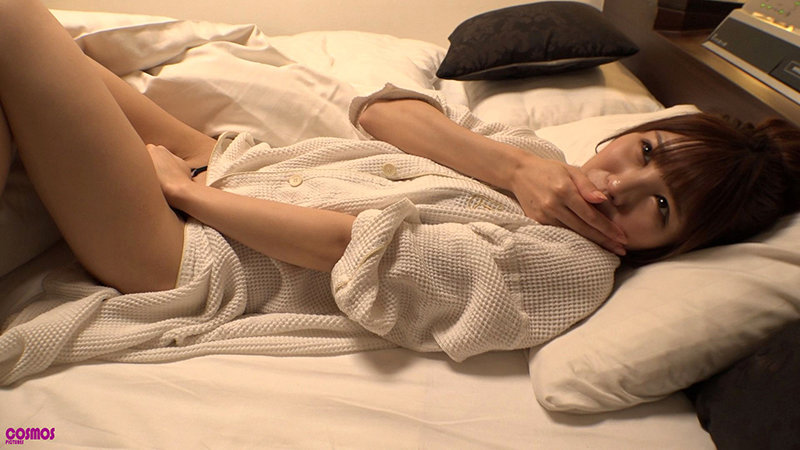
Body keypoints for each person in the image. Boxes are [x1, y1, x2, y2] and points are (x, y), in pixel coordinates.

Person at [0, 0, 798, 382]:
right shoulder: (539, 161)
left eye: (660, 205)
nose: (620, 183)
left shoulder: (570, 269)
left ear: (678, 245)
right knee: (50, 62)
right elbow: (382, 111)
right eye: (645, 151)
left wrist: (189, 195)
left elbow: (351, 246)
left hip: (188, 253)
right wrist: (512, 167)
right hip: (231, 162)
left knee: (17, 25)